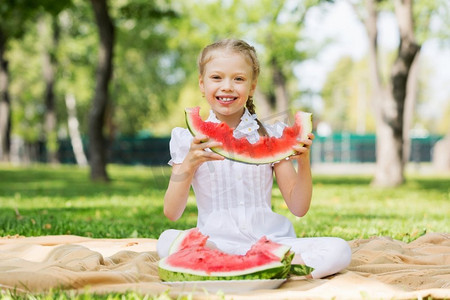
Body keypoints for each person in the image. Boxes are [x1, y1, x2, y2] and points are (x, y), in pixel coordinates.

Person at [157, 38, 351, 279]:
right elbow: (172, 212)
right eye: (216, 78)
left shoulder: (271, 135)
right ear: (202, 83)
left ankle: (239, 269)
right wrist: (188, 163)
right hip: (215, 244)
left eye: (238, 79)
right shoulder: (187, 139)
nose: (227, 86)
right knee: (166, 240)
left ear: (251, 87)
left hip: (270, 241)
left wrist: (303, 160)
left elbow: (299, 207)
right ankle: (269, 270)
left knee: (340, 250)